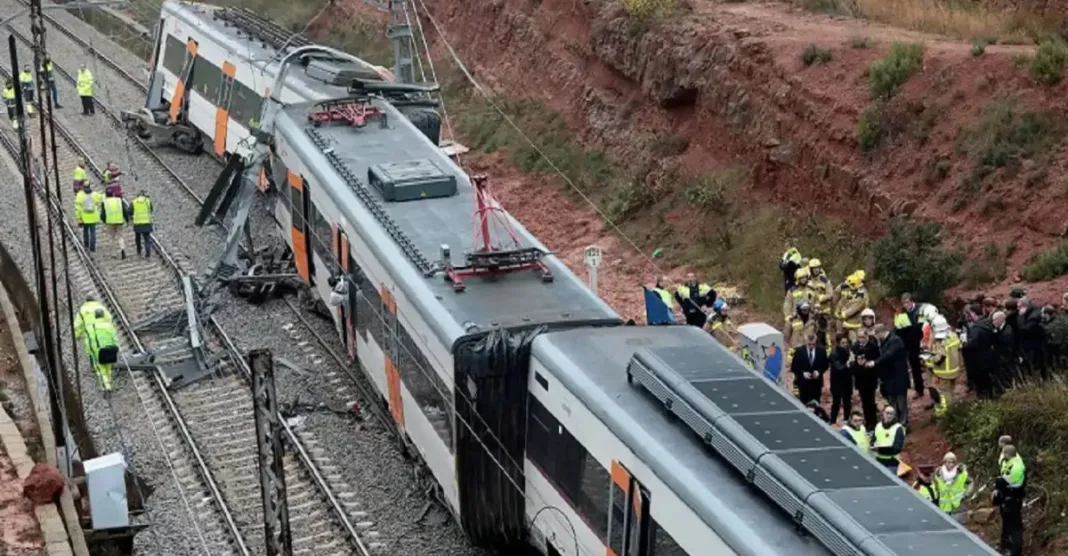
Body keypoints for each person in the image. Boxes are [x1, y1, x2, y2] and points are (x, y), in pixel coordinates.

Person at [867, 323, 911, 428]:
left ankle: (903, 423)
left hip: (899, 376)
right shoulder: (884, 342)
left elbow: (888, 355)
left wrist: (875, 363)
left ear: (880, 333)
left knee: (901, 401)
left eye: (876, 335)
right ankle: (894, 421)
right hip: (889, 377)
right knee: (892, 400)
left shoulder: (895, 341)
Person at [924, 315, 961, 417]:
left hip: (943, 372)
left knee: (943, 394)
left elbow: (938, 358)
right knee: (951, 392)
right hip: (954, 370)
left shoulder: (940, 341)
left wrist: (928, 360)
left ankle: (945, 415)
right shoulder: (953, 335)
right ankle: (952, 410)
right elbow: (959, 347)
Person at [994, 444, 1026, 556]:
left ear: (1007, 454)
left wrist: (999, 483)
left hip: (1013, 501)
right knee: (1007, 525)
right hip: (1007, 500)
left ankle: (1016, 552)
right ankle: (1006, 546)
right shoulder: (1010, 462)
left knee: (1016, 528)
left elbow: (1008, 481)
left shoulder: (1016, 467)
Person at [894, 293, 926, 400]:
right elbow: (898, 329)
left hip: (922, 342)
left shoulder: (920, 309)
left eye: (907, 302)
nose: (906, 304)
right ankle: (919, 389)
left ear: (912, 301)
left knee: (930, 366)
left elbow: (924, 326)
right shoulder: (900, 313)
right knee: (915, 367)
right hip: (909, 344)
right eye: (904, 303)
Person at [962, 303, 995, 398]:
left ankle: (983, 398)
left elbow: (972, 343)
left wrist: (964, 344)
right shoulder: (987, 322)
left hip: (979, 358)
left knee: (981, 381)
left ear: (973, 314)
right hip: (989, 354)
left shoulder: (976, 328)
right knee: (988, 379)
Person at [852, 328, 880, 430]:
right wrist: (857, 364)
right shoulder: (854, 347)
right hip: (860, 379)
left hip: (870, 378)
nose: (861, 339)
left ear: (867, 336)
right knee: (864, 401)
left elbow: (877, 360)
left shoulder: (873, 346)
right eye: (859, 337)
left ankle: (873, 421)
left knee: (871, 401)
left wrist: (868, 362)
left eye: (863, 337)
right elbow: (852, 363)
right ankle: (868, 421)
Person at [933, 452, 973, 520]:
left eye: (953, 462)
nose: (950, 464)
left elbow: (970, 482)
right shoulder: (938, 475)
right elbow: (936, 488)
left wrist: (966, 494)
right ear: (944, 462)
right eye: (948, 462)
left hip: (958, 507)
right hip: (944, 509)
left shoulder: (961, 474)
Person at [791, 332, 828, 406]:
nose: (811, 346)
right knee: (803, 405)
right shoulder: (799, 351)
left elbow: (825, 365)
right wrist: (802, 374)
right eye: (809, 344)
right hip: (803, 384)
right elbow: (794, 367)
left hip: (816, 384)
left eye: (813, 344)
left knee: (816, 406)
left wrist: (819, 372)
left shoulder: (821, 351)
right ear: (806, 342)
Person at [86, 308, 118, 392]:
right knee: (108, 368)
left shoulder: (92, 327)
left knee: (101, 369)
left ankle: (106, 386)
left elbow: (89, 340)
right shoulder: (109, 325)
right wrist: (116, 347)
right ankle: (109, 384)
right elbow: (114, 338)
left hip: (98, 350)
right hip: (110, 349)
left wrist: (89, 351)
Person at [836, 271, 869, 342]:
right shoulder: (850, 291)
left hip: (856, 324)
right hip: (845, 323)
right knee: (841, 340)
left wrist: (843, 314)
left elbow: (854, 308)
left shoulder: (861, 296)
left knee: (855, 341)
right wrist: (838, 311)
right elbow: (843, 301)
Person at [872, 405, 906, 472]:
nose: (889, 416)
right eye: (887, 413)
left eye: (891, 414)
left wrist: (880, 450)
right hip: (878, 460)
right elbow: (873, 441)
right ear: (883, 413)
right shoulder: (878, 426)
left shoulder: (898, 428)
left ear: (894, 415)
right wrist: (873, 446)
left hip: (892, 462)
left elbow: (897, 448)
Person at [829, 333, 853, 424]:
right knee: (836, 403)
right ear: (838, 343)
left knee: (847, 402)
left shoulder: (848, 351)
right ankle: (832, 421)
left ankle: (847, 420)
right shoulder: (834, 353)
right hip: (837, 383)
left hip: (847, 381)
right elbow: (838, 367)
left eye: (846, 343)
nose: (845, 345)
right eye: (843, 343)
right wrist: (848, 363)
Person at [100, 188, 128, 259]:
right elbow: (124, 211)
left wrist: (104, 221)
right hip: (119, 221)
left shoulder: (104, 202)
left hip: (110, 222)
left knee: (111, 238)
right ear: (113, 194)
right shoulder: (119, 201)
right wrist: (127, 220)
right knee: (120, 236)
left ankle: (114, 253)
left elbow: (102, 214)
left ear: (106, 195)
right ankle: (122, 249)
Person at [73, 184, 102, 252]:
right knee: (93, 232)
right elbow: (100, 198)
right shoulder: (94, 194)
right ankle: (92, 247)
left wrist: (78, 218)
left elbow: (77, 208)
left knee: (85, 231)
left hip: (84, 217)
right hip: (93, 217)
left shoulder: (80, 195)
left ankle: (86, 245)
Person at [131, 191, 153, 258]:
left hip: (137, 223)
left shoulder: (134, 202)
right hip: (146, 222)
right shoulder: (147, 201)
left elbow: (129, 211)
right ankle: (148, 251)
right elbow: (151, 209)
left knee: (138, 238)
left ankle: (139, 249)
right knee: (147, 238)